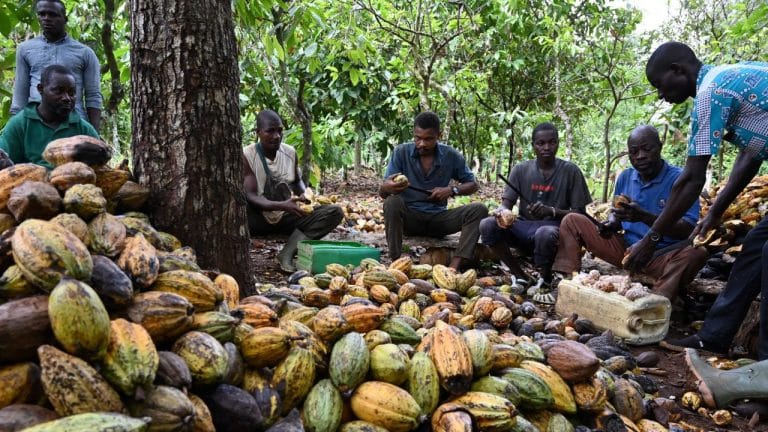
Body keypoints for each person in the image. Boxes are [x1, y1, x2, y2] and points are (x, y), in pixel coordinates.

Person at [630, 41, 768, 358]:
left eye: (660, 85)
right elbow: (751, 155)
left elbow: (692, 179)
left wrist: (651, 239)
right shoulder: (724, 78)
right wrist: (715, 212)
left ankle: (765, 366)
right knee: (755, 247)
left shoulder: (709, 94)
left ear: (677, 70)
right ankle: (713, 338)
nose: (660, 95)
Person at [552, 125, 708, 302]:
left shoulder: (680, 180)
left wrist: (644, 217)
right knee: (572, 220)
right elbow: (616, 211)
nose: (640, 156)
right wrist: (611, 223)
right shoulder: (626, 176)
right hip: (627, 251)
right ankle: (567, 282)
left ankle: (656, 302)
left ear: (660, 146)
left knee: (697, 253)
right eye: (634, 152)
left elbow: (687, 229)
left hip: (662, 256)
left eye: (647, 149)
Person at [479, 122, 591, 285]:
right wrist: (501, 212)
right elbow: (506, 205)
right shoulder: (521, 170)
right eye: (540, 143)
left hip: (554, 229)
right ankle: (520, 275)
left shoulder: (570, 171)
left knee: (545, 233)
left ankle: (545, 278)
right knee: (487, 225)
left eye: (551, 142)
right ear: (533, 146)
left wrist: (551, 211)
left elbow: (579, 214)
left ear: (558, 143)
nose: (546, 147)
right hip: (523, 227)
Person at [379, 111, 487, 271]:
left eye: (428, 139)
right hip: (410, 219)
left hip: (439, 220)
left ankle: (454, 267)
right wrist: (387, 187)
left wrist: (452, 190)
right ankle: (397, 263)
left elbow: (473, 184)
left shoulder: (450, 155)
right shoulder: (401, 152)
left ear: (439, 136)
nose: (422, 143)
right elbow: (383, 193)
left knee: (479, 210)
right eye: (418, 138)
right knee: (391, 202)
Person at [243, 110, 343, 273]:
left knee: (334, 212)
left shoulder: (289, 153)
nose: (276, 136)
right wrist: (283, 205)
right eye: (270, 131)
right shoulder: (247, 154)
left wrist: (304, 195)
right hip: (256, 219)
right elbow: (251, 195)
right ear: (258, 133)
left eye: (279, 130)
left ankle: (287, 253)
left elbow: (296, 182)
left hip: (285, 215)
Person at [11, 0, 102, 131]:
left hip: (74, 124)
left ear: (65, 19)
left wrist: (94, 134)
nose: (46, 19)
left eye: (53, 14)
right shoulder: (25, 49)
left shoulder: (85, 53)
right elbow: (20, 95)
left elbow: (93, 96)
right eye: (42, 14)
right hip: (35, 124)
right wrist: (15, 129)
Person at [0, 64, 99, 169]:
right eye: (59, 91)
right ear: (41, 89)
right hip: (28, 179)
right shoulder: (20, 125)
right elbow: (4, 161)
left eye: (71, 93)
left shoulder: (84, 130)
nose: (67, 98)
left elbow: (100, 168)